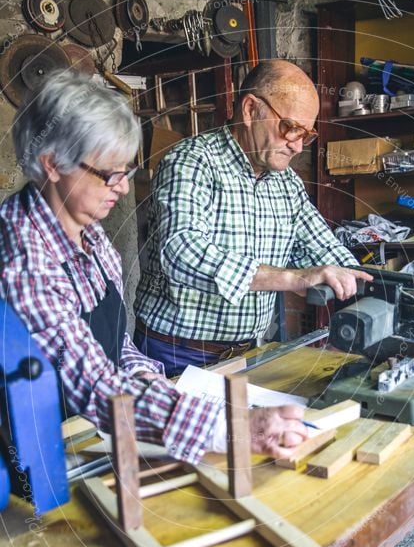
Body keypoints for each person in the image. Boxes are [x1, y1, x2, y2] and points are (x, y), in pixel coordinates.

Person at [0, 70, 309, 465]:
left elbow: (112, 347)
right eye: (111, 174)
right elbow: (93, 381)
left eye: (127, 172)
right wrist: (232, 428)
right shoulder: (21, 258)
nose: (125, 188)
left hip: (86, 439)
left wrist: (146, 375)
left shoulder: (90, 238)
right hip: (30, 462)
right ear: (53, 164)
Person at [134, 60, 371, 376]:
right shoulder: (191, 162)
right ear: (249, 110)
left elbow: (326, 253)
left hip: (246, 354)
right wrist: (292, 279)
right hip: (174, 355)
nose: (298, 146)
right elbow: (181, 252)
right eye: (290, 128)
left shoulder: (286, 185)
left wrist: (375, 283)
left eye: (307, 135)